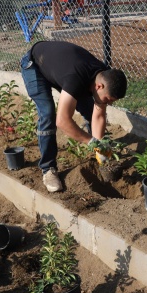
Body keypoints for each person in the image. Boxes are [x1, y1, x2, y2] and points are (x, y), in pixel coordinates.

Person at [20, 40, 128, 192]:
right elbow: (63, 121)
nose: (108, 104)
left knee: (90, 109)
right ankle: (48, 169)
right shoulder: (76, 78)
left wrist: (99, 146)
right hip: (35, 65)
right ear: (99, 86)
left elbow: (98, 114)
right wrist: (91, 141)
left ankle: (98, 156)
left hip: (58, 67)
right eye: (108, 100)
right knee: (48, 113)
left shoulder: (103, 75)